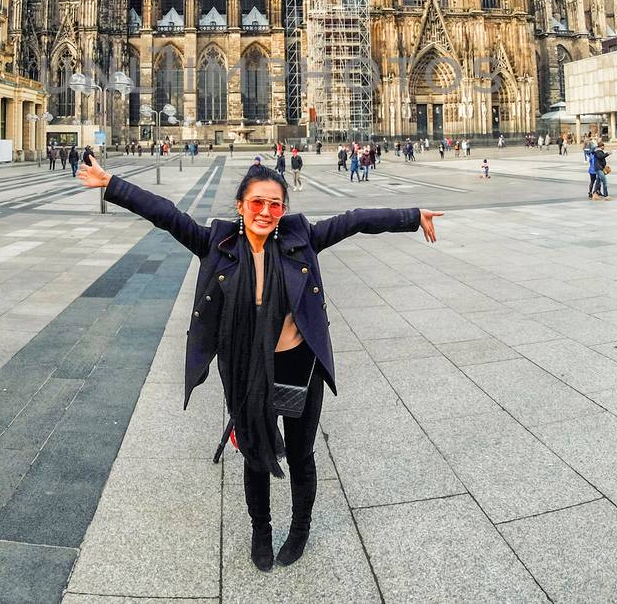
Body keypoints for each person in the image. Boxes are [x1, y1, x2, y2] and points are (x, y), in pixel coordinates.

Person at [76, 155, 440, 571]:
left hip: (299, 366)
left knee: (301, 455)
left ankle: (299, 528)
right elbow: (167, 215)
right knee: (255, 454)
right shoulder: (218, 243)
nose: (265, 212)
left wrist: (412, 216)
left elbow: (354, 219)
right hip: (247, 369)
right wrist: (112, 184)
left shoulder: (301, 236)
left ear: (284, 209)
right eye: (256, 203)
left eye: (275, 204)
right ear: (240, 206)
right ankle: (261, 531)